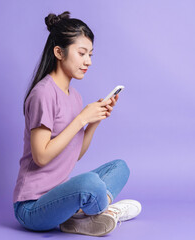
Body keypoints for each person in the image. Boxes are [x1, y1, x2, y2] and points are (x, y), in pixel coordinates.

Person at [13, 11, 141, 237]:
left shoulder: (75, 97)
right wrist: (81, 118)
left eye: (90, 54)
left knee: (119, 167)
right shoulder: (43, 94)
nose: (88, 61)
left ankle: (82, 216)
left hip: (60, 195)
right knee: (90, 183)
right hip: (33, 207)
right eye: (82, 53)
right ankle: (104, 212)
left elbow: (74, 154)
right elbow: (41, 156)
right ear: (59, 52)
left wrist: (93, 122)